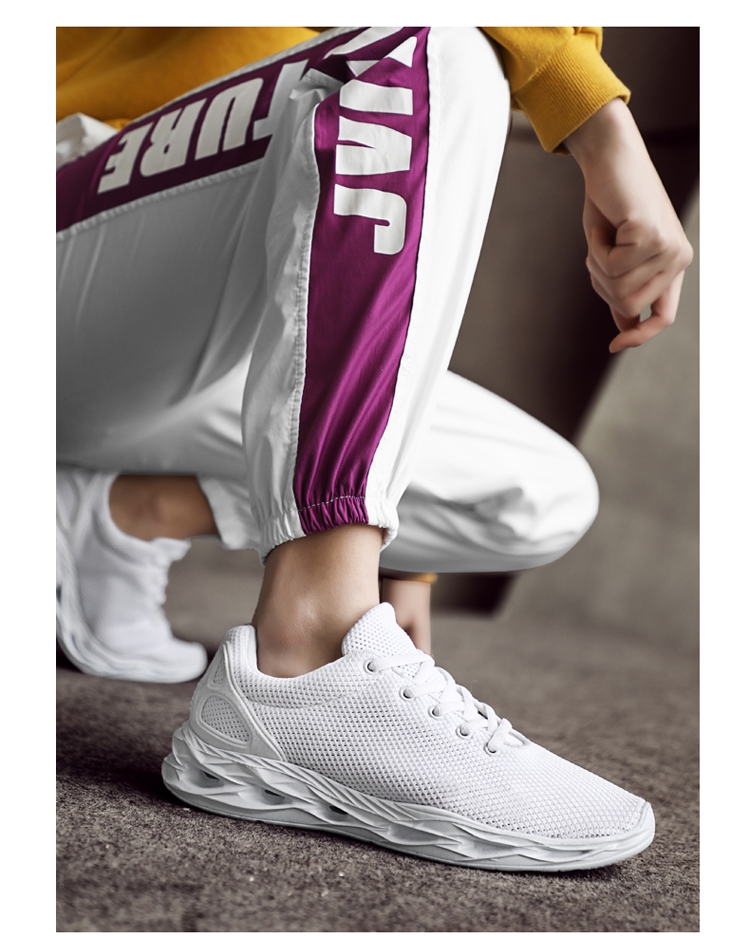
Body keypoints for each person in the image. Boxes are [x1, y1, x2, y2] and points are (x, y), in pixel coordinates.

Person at [57, 27, 692, 870]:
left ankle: (116, 513)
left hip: (201, 351)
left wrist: (396, 555)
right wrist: (597, 120)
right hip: (71, 234)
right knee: (424, 51)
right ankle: (311, 650)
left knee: (541, 494)